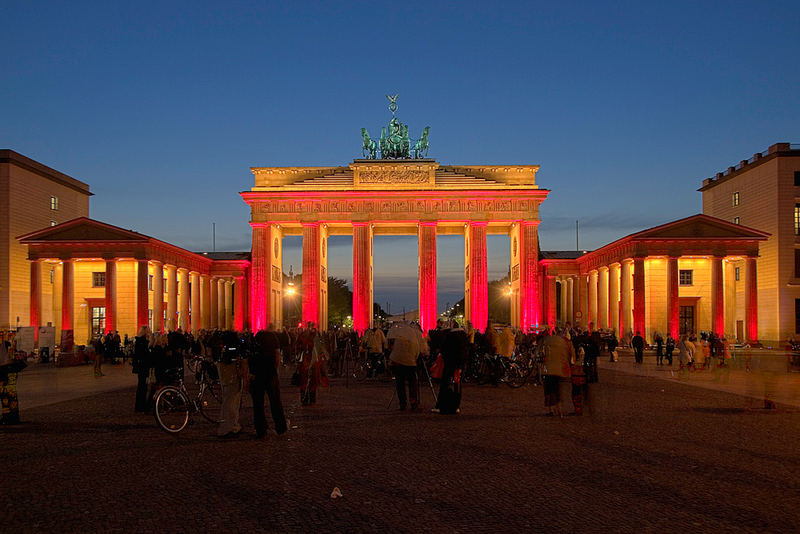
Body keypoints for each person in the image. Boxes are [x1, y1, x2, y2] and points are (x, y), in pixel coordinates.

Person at [249, 327, 288, 438]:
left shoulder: (255, 339)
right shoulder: (273, 338)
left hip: (257, 374)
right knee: (276, 401)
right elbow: (277, 356)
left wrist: (251, 373)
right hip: (270, 373)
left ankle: (260, 429)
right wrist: (274, 369)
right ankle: (281, 427)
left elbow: (250, 357)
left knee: (258, 404)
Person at [434, 321, 469, 414]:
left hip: (450, 364)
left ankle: (440, 405)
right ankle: (456, 405)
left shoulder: (450, 336)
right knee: (457, 385)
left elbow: (444, 350)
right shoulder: (463, 336)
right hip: (460, 365)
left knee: (445, 384)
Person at [387, 322, 424, 411]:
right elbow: (418, 351)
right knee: (412, 383)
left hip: (396, 362)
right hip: (410, 363)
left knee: (400, 384)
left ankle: (402, 403)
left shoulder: (398, 338)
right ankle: (413, 403)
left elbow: (390, 348)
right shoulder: (414, 339)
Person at [216, 330, 244, 438]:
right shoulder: (233, 349)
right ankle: (230, 427)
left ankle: (231, 425)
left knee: (229, 401)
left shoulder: (223, 348)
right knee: (232, 402)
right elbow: (235, 360)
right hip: (232, 378)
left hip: (225, 378)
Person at [540, 328, 573, 417]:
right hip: (559, 370)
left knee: (548, 391)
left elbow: (541, 355)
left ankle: (551, 410)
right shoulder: (563, 343)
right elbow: (567, 356)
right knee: (558, 390)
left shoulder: (547, 342)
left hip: (548, 370)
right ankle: (560, 410)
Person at [132, 326, 152, 413]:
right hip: (144, 366)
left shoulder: (138, 341)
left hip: (140, 367)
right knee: (143, 386)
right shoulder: (144, 342)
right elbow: (146, 355)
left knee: (141, 386)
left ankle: (139, 405)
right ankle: (141, 406)